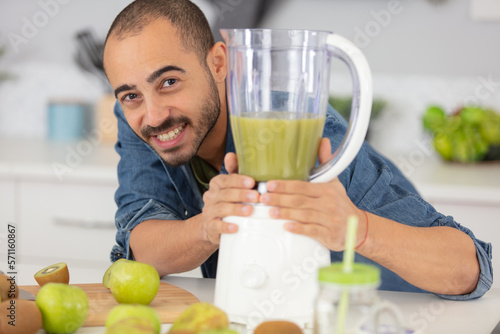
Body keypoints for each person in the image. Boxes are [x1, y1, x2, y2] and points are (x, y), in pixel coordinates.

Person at [102, 0, 492, 300]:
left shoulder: (305, 132)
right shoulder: (142, 117)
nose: (153, 114)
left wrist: (356, 228)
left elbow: (469, 267)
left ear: (219, 63)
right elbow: (143, 245)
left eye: (169, 81)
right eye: (132, 94)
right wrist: (205, 228)